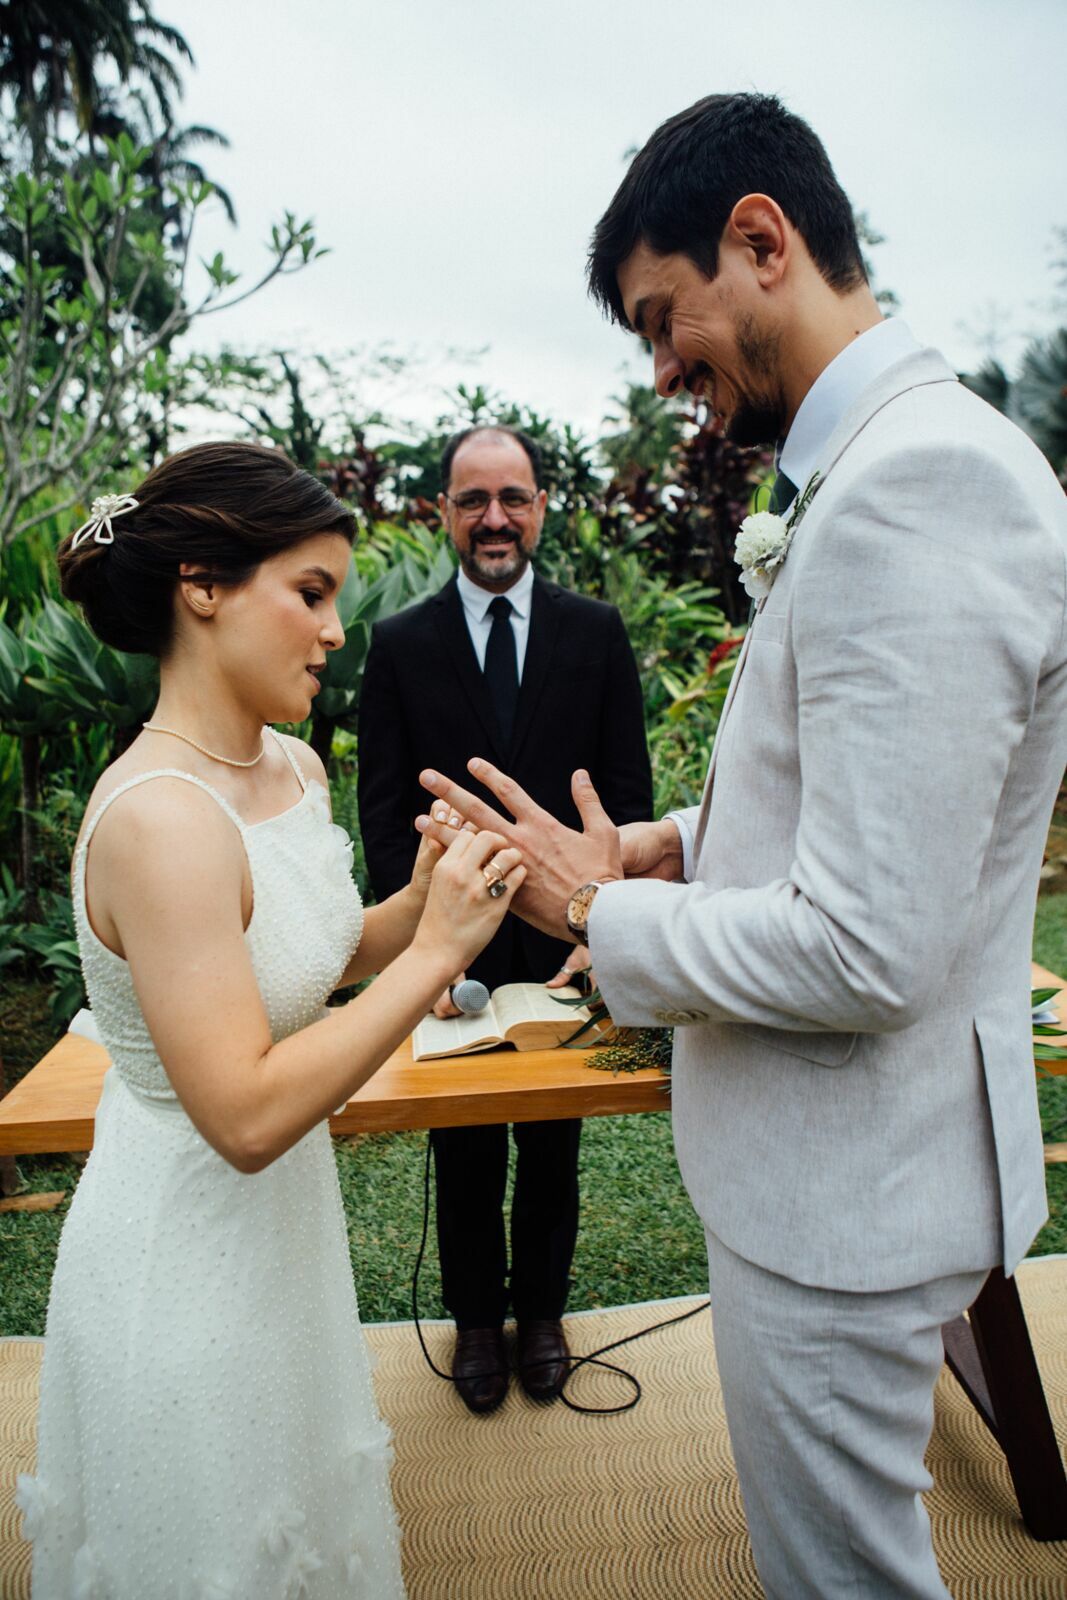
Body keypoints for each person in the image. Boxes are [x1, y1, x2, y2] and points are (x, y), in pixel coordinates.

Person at [413, 95, 1067, 1598]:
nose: (658, 373)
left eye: (662, 319)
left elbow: (866, 942)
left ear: (758, 239)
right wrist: (667, 840)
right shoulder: (892, 466)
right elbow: (885, 803)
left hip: (848, 1191)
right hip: (852, 1166)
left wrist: (601, 913)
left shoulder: (914, 489)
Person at [16, 442, 525, 1599]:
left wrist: (421, 901)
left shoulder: (290, 768)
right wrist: (439, 955)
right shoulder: (161, 820)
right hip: (183, 1254)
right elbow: (243, 1112)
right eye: (309, 592)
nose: (336, 629)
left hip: (283, 1240)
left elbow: (313, 952)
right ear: (202, 584)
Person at [358, 424, 652, 1412]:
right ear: (443, 511)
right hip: (454, 947)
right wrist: (420, 951)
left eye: (512, 497)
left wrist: (599, 929)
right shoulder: (398, 644)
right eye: (472, 498)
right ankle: (475, 1322)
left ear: (537, 507)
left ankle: (541, 1318)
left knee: (553, 1146)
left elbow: (622, 794)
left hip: (565, 948)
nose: (493, 517)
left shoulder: (595, 631)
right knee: (465, 1144)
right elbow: (382, 806)